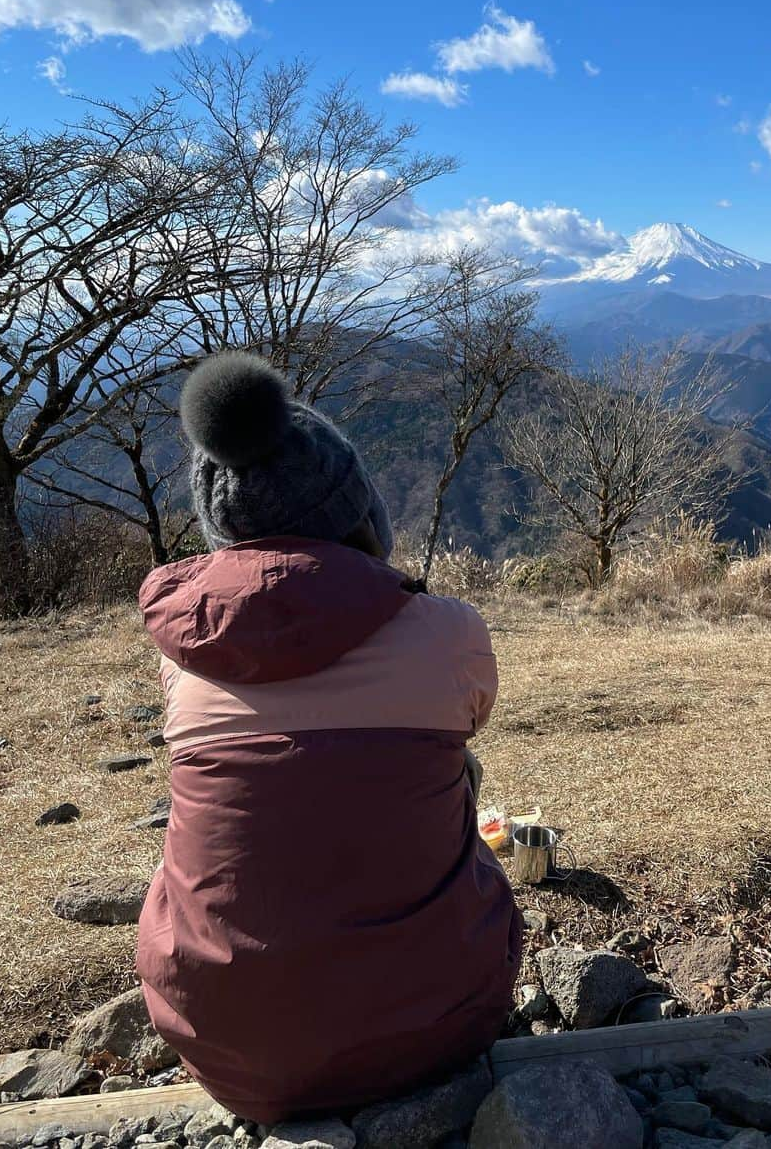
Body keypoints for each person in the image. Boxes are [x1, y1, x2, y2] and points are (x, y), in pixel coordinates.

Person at [136, 352, 522, 1122]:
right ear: (360, 510)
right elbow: (469, 717)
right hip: (434, 1032)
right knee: (453, 767)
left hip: (225, 1046)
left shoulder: (184, 659)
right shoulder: (446, 635)